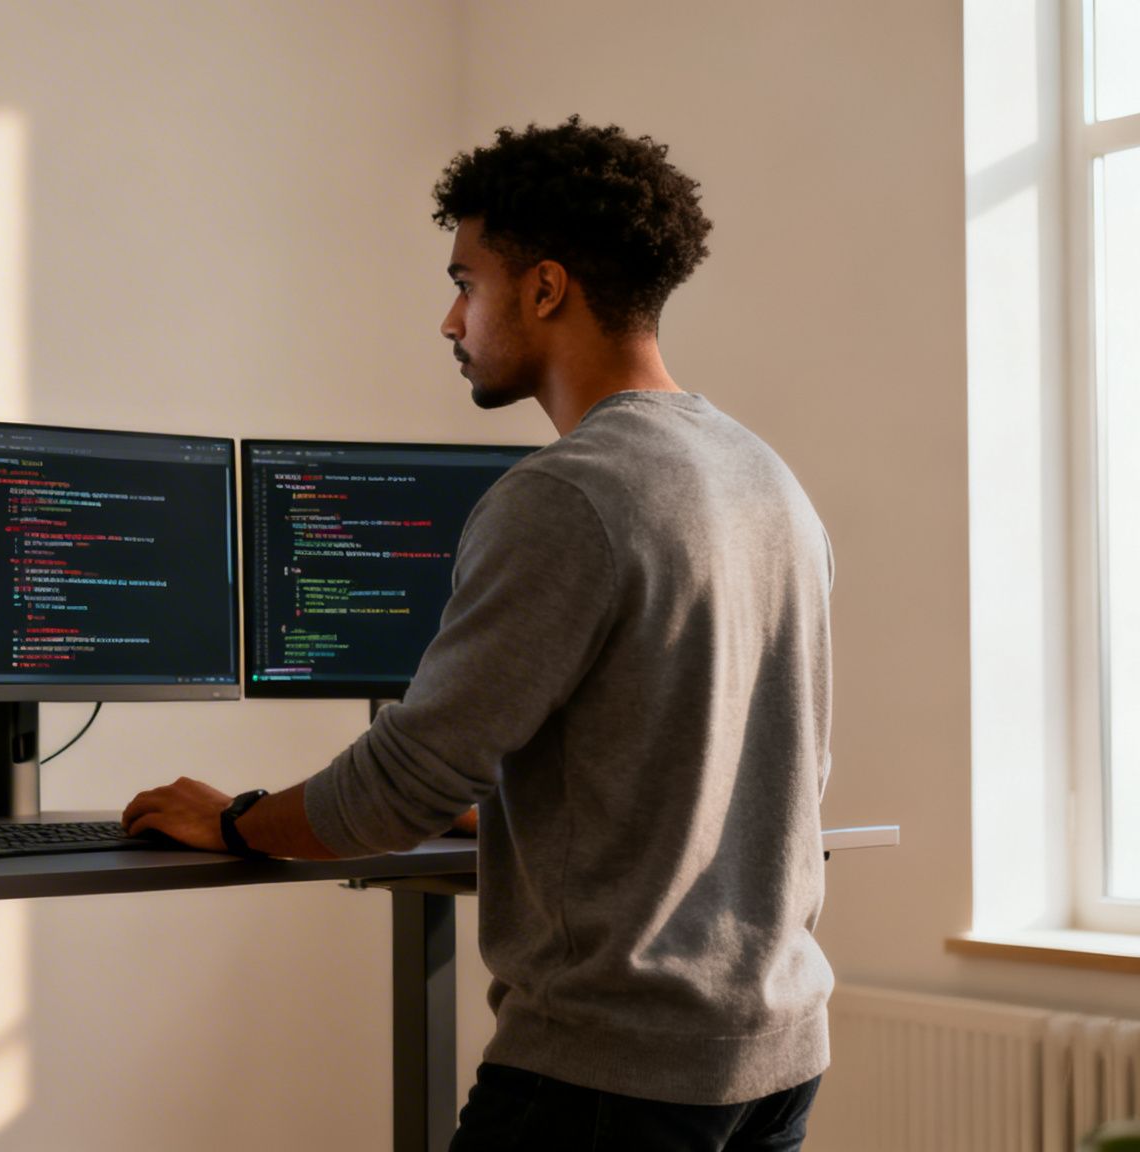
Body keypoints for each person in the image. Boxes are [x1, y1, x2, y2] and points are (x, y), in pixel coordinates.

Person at [122, 116, 833, 1151]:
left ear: (542, 290)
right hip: (770, 1057)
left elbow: (394, 789)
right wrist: (515, 821)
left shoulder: (568, 493)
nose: (449, 319)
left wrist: (229, 820)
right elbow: (739, 766)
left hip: (610, 1074)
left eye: (465, 281)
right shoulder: (763, 476)